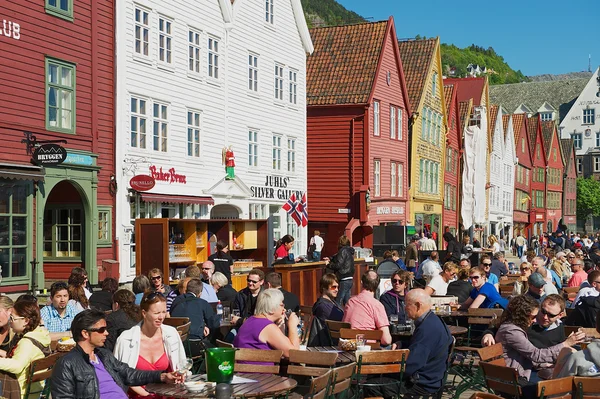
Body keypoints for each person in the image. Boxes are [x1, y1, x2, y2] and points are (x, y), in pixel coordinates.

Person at [52, 309, 181, 399]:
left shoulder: (103, 355)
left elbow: (129, 374)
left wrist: (163, 376)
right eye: (102, 330)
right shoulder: (67, 364)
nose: (107, 333)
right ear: (85, 333)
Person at [494, 295, 582, 384]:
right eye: (543, 312)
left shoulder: (558, 327)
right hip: (516, 377)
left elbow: (526, 354)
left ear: (560, 315)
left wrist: (545, 365)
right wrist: (566, 344)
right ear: (522, 316)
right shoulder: (514, 331)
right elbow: (535, 354)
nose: (544, 317)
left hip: (529, 368)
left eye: (551, 315)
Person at [114, 292, 187, 398]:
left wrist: (180, 376)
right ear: (144, 313)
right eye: (157, 313)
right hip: (139, 395)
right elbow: (119, 375)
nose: (161, 317)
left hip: (167, 394)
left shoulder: (171, 334)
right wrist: (147, 394)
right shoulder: (126, 339)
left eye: (163, 312)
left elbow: (182, 366)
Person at [394, 289, 453, 397]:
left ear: (418, 305)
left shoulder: (427, 328)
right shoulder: (432, 320)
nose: (405, 308)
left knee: (373, 385)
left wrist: (387, 369)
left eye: (406, 304)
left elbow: (412, 364)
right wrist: (403, 344)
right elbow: (422, 347)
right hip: (432, 377)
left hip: (423, 383)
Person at [0, 296, 51, 399]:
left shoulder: (27, 343)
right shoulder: (39, 335)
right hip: (33, 389)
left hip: (19, 391)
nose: (10, 321)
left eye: (13, 318)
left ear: (26, 321)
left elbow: (17, 366)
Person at [233, 289, 300, 358]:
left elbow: (282, 346)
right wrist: (292, 325)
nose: (284, 309)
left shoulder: (251, 320)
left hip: (245, 367)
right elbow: (294, 354)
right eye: (282, 305)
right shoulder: (267, 327)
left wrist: (281, 325)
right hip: (258, 368)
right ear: (272, 309)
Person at [342, 271, 392, 346]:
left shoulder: (350, 302)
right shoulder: (376, 305)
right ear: (377, 285)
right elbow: (386, 340)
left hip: (349, 346)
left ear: (361, 282)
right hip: (368, 348)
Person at [325, 235, 355, 306]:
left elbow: (338, 265)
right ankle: (347, 316)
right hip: (349, 278)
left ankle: (337, 316)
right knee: (347, 303)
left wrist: (328, 265)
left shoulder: (342, 251)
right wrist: (331, 258)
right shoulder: (348, 251)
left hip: (343, 278)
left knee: (338, 302)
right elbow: (337, 256)